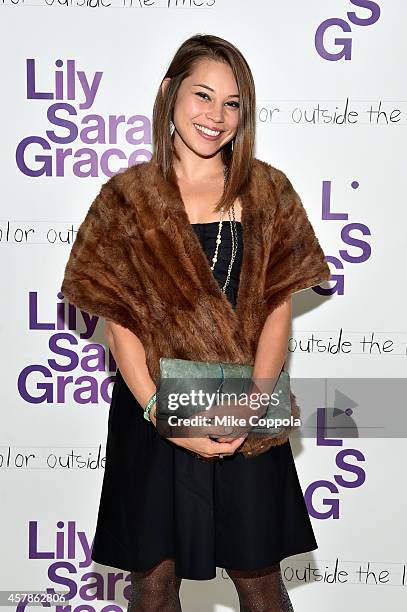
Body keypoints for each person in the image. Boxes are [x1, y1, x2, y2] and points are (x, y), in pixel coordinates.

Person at [61, 34, 331, 612]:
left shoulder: (269, 191)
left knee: (260, 584)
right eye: (203, 95)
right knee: (154, 583)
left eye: (232, 103)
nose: (216, 116)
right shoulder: (125, 198)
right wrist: (162, 415)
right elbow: (121, 322)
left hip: (246, 407)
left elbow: (278, 307)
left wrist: (254, 405)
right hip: (152, 411)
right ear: (169, 93)